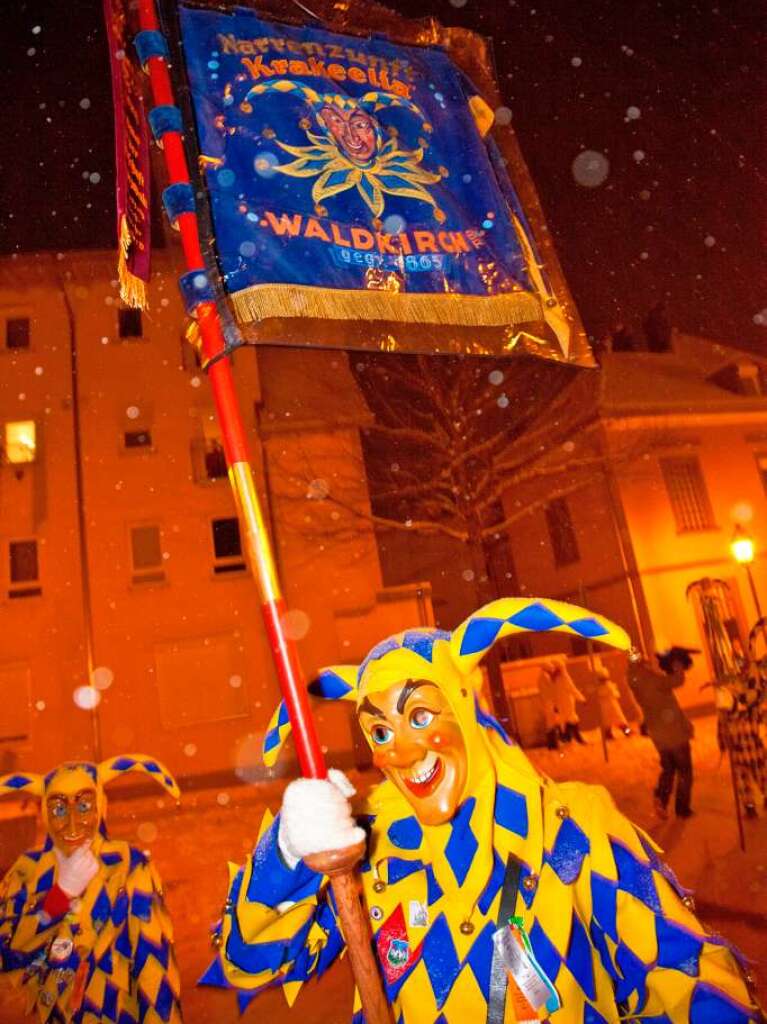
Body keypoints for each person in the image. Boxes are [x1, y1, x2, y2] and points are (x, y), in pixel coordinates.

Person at [204, 598, 763, 1023]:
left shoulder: (571, 828)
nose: (398, 750)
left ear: (465, 709)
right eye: (379, 730)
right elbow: (251, 962)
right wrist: (288, 853)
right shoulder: (366, 853)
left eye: (420, 716)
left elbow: (678, 968)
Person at [0, 754, 183, 1023]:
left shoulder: (128, 867)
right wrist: (60, 896)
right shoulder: (28, 872)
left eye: (84, 806)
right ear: (45, 815)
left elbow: (154, 969)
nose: (73, 823)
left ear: (101, 806)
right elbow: (9, 956)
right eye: (59, 809)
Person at [628, 646, 696, 820]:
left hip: (658, 733)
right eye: (644, 660)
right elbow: (675, 682)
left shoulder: (634, 679)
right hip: (673, 731)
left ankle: (661, 798)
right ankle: (682, 808)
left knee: (668, 768)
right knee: (684, 770)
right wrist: (678, 665)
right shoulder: (649, 679)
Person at [550, 655, 586, 744]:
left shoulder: (553, 679)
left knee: (567, 719)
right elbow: (572, 688)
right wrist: (581, 698)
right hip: (567, 702)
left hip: (561, 703)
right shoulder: (564, 677)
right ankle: (574, 737)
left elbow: (554, 693)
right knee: (571, 719)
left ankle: (568, 737)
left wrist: (555, 704)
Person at [595, 663, 631, 740]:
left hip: (605, 706)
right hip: (612, 704)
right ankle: (627, 732)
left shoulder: (599, 688)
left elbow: (599, 696)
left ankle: (608, 735)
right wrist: (615, 689)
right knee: (620, 720)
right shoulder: (609, 685)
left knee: (608, 722)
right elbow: (616, 695)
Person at [535, 659, 562, 749]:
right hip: (549, 702)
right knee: (551, 724)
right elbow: (552, 689)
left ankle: (552, 744)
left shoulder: (541, 677)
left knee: (550, 723)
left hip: (546, 702)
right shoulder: (545, 677)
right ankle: (553, 744)